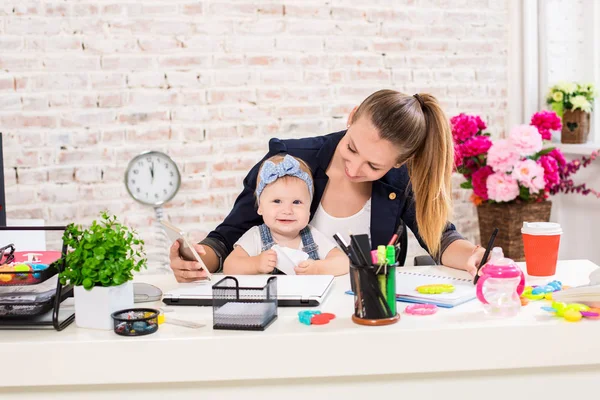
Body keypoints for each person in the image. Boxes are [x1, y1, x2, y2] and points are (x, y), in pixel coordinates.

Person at [170, 89, 487, 282]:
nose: (354, 168)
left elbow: (441, 238)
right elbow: (225, 240)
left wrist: (472, 257)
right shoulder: (289, 162)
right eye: (352, 148)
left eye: (374, 166)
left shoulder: (400, 180)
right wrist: (197, 260)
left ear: (399, 162)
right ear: (352, 117)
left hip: (366, 314)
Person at [222, 154, 349, 276]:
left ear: (309, 209)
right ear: (260, 207)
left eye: (296, 202)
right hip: (270, 297)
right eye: (277, 201)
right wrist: (255, 263)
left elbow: (343, 262)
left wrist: (317, 268)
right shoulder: (256, 237)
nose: (287, 210)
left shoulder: (312, 236)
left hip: (305, 297)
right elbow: (229, 266)